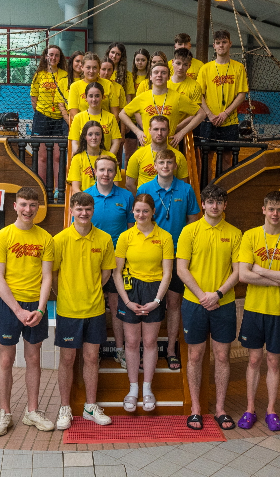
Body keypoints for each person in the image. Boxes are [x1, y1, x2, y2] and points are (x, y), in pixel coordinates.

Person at [0, 187, 56, 435]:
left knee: (33, 359)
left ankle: (32, 411)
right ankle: (4, 413)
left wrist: (40, 309)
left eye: (33, 205)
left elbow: (47, 277)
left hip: (34, 307)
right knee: (6, 360)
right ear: (15, 206)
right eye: (24, 204)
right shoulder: (3, 236)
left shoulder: (46, 238)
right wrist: (17, 310)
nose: (28, 210)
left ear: (37, 208)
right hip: (9, 306)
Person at [237, 191, 280, 432]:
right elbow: (243, 275)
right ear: (263, 210)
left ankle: (271, 411)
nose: (275, 214)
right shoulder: (251, 236)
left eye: (279, 209)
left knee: (274, 362)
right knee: (254, 359)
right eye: (271, 209)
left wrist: (262, 271)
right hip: (254, 309)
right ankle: (250, 408)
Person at [177, 185, 241, 430]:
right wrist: (203, 295)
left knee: (223, 356)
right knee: (195, 355)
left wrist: (217, 294)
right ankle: (195, 409)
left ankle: (220, 409)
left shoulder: (235, 234)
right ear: (203, 204)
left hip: (223, 303)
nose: (215, 206)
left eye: (219, 202)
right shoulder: (189, 232)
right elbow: (182, 268)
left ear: (225, 205)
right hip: (194, 303)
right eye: (210, 202)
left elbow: (238, 271)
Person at [54, 191, 116, 429]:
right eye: (79, 209)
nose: (83, 213)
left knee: (91, 358)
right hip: (68, 310)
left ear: (93, 210)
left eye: (88, 209)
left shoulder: (104, 239)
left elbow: (106, 272)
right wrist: (68, 295)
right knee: (67, 359)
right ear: (71, 211)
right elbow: (53, 274)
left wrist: (90, 290)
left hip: (95, 310)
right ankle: (65, 408)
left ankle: (90, 406)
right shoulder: (59, 240)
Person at [138, 149, 201, 370]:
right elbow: (137, 221)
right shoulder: (144, 189)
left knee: (174, 303)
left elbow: (194, 223)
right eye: (161, 162)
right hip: (150, 255)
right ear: (154, 165)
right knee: (148, 302)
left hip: (177, 255)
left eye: (169, 162)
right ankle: (146, 348)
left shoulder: (186, 189)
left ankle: (172, 349)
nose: (165, 166)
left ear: (175, 166)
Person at [113, 193, 173, 412]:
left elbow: (167, 273)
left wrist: (157, 300)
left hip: (153, 289)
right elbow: (116, 272)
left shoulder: (165, 237)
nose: (141, 215)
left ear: (153, 212)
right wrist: (127, 301)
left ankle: (147, 389)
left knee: (149, 342)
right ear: (133, 212)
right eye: (137, 211)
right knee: (131, 342)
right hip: (130, 291)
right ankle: (133, 389)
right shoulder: (125, 237)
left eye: (145, 211)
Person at [85, 156, 135, 369]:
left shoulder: (126, 196)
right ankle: (90, 353)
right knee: (93, 304)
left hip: (118, 262)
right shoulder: (85, 196)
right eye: (102, 170)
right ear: (95, 171)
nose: (106, 174)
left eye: (110, 170)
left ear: (117, 173)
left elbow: (133, 229)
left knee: (116, 307)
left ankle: (120, 350)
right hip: (90, 260)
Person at [120, 62, 204, 148]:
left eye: (163, 73)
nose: (159, 75)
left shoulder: (178, 97)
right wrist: (137, 132)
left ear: (168, 77)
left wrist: (181, 133)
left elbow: (201, 114)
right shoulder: (142, 97)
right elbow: (122, 114)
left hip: (169, 150)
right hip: (147, 148)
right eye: (156, 72)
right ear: (150, 77)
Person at [197, 30, 248, 145]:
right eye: (218, 42)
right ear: (214, 45)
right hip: (209, 120)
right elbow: (199, 95)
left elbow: (242, 95)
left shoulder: (239, 67)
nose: (221, 45)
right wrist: (210, 114)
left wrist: (226, 113)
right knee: (207, 156)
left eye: (224, 42)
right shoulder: (205, 68)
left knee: (227, 157)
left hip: (230, 121)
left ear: (230, 43)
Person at [125, 115, 189, 194]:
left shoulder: (178, 156)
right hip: (145, 202)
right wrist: (140, 201)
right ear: (149, 130)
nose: (159, 133)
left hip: (169, 201)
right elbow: (129, 184)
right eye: (156, 129)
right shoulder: (138, 155)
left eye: (163, 129)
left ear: (168, 131)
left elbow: (183, 186)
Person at [68, 81, 122, 155]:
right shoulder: (78, 118)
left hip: (105, 161)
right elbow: (75, 143)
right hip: (84, 160)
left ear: (102, 97)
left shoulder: (111, 117)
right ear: (85, 98)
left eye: (97, 96)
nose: (94, 99)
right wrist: (84, 158)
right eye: (90, 96)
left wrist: (107, 158)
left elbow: (116, 142)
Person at [67, 120, 121, 194]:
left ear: (102, 136)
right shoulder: (77, 158)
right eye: (90, 134)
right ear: (85, 137)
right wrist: (87, 200)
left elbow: (115, 184)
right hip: (85, 201)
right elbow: (75, 188)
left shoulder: (110, 157)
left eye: (97, 134)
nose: (94, 137)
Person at [68, 52, 120, 122]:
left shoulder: (108, 84)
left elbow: (115, 113)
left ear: (99, 68)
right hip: (84, 128)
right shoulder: (75, 87)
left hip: (105, 128)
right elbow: (74, 114)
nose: (91, 71)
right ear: (82, 67)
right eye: (88, 67)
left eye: (95, 67)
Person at [30, 45, 68, 136]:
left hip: (59, 117)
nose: (53, 58)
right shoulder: (39, 74)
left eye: (56, 55)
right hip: (42, 116)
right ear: (46, 57)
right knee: (39, 147)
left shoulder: (65, 75)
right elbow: (34, 96)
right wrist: (42, 112)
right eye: (51, 54)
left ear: (60, 58)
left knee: (57, 148)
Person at [58, 50, 85, 127]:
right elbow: (61, 105)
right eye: (77, 61)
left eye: (82, 62)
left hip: (85, 119)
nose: (80, 64)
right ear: (72, 62)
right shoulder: (63, 81)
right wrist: (70, 122)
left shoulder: (88, 81)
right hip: (68, 121)